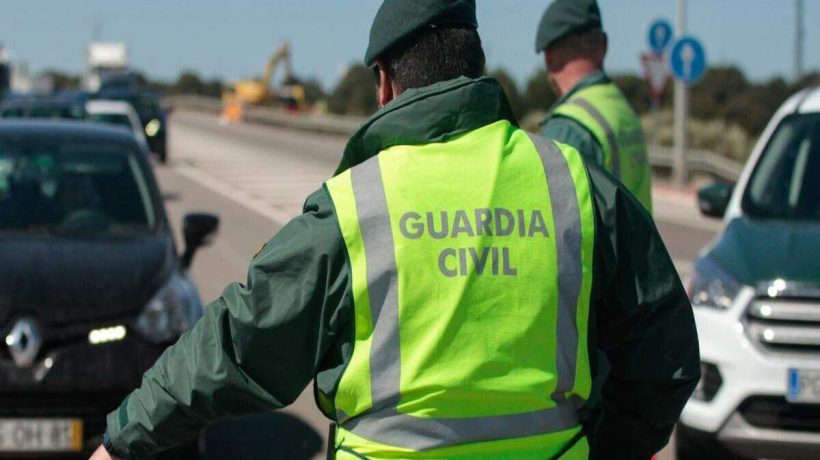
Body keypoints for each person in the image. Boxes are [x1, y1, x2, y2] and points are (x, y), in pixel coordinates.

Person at [91, 1, 698, 459]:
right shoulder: (573, 183)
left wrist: (122, 440)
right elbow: (666, 352)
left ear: (384, 81)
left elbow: (236, 344)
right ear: (475, 68)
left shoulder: (354, 206)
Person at [537, 0, 654, 212]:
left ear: (549, 56)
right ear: (605, 45)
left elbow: (552, 222)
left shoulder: (568, 126)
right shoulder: (621, 107)